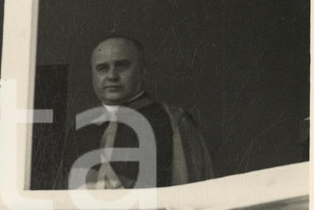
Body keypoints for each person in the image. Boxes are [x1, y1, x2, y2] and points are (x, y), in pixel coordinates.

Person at [61, 36, 212, 189]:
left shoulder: (174, 121)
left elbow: (192, 193)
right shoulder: (79, 128)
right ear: (93, 75)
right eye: (102, 68)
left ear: (143, 70)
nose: (112, 76)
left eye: (122, 66)